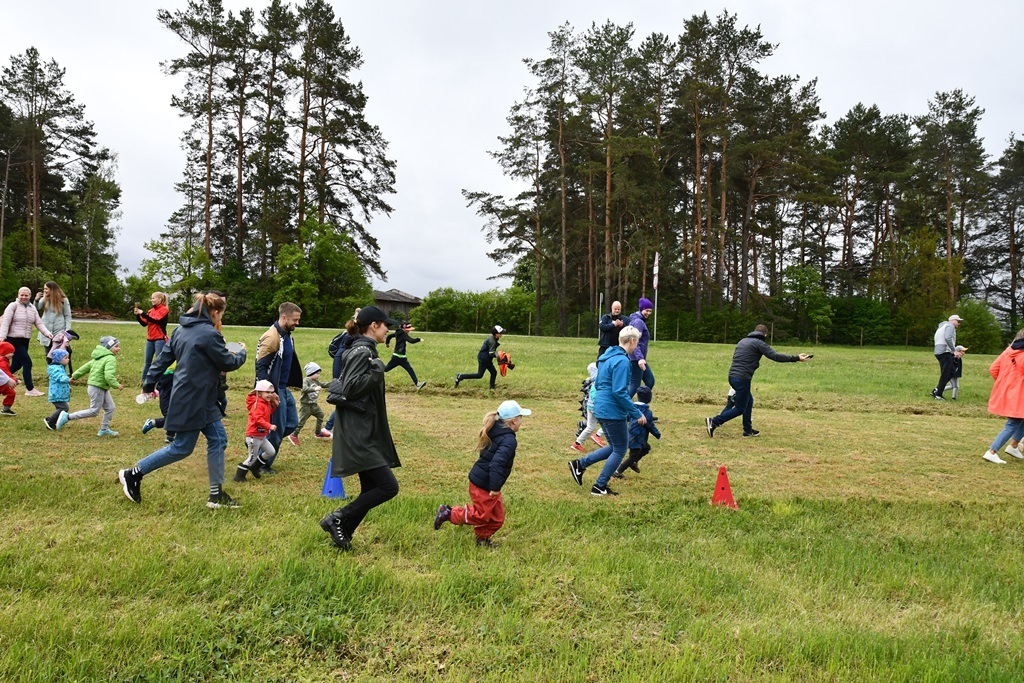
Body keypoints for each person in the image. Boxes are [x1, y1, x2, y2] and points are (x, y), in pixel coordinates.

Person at [116, 292, 247, 508]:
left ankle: (216, 495)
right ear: (214, 312)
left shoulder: (180, 330)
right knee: (181, 447)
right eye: (220, 315)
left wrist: (148, 384)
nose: (220, 319)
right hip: (192, 399)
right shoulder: (209, 334)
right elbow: (227, 362)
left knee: (218, 439)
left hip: (201, 398)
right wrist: (241, 353)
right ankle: (133, 473)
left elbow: (161, 360)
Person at [320, 306, 402, 550]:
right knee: (388, 487)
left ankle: (344, 531)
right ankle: (338, 517)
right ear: (374, 326)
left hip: (363, 428)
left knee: (370, 488)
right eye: (385, 325)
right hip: (358, 432)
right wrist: (378, 369)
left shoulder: (364, 350)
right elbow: (351, 388)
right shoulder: (362, 351)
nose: (388, 329)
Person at [433, 399, 531, 547]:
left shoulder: (495, 429)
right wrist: (495, 487)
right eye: (520, 418)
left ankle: (482, 540)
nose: (522, 422)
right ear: (512, 422)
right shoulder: (509, 440)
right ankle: (448, 513)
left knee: (497, 518)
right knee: (481, 515)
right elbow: (496, 463)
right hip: (485, 485)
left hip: (488, 482)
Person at [567, 325, 646, 496]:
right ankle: (599, 486)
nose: (636, 346)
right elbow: (619, 392)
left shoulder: (606, 356)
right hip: (612, 409)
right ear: (632, 341)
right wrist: (636, 412)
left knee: (615, 447)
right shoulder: (623, 361)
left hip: (599, 406)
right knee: (620, 449)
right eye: (637, 343)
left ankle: (580, 464)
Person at [705, 324, 811, 438]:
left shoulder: (743, 341)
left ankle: (748, 430)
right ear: (765, 335)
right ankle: (714, 422)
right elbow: (775, 356)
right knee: (740, 408)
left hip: (732, 376)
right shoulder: (759, 343)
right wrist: (796, 358)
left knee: (749, 401)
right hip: (742, 378)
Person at [254, 302, 302, 469]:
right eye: (295, 320)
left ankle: (258, 447)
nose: (297, 323)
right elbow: (260, 367)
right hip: (273, 389)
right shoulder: (272, 337)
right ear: (284, 317)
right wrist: (269, 393)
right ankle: (261, 464)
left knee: (292, 424)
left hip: (283, 388)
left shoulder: (287, 335)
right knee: (276, 429)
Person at [60, 336, 123, 435]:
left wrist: (74, 376)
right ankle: (67, 417)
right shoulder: (110, 358)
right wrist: (116, 385)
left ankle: (104, 429)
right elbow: (108, 376)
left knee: (110, 408)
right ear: (109, 348)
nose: (118, 349)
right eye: (116, 346)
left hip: (100, 387)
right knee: (94, 411)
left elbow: (84, 368)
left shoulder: (98, 357)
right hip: (97, 388)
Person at [0, 286, 53, 396]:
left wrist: (47, 333)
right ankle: (30, 389)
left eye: (26, 295)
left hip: (25, 340)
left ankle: (4, 379)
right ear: (18, 295)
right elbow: (5, 322)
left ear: (30, 296)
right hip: (13, 340)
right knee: (27, 362)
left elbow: (38, 323)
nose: (24, 297)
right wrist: (2, 337)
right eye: (22, 295)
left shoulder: (32, 308)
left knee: (17, 364)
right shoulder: (13, 306)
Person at [982, 330, 1024, 464]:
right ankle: (992, 451)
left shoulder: (1007, 351)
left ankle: (1014, 446)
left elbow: (993, 369)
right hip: (1019, 394)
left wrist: (1004, 383)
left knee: (1018, 421)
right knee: (1013, 424)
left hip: (1009, 392)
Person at [233, 379, 279, 481]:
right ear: (259, 392)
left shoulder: (265, 403)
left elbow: (267, 413)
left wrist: (275, 404)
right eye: (267, 392)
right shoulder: (257, 404)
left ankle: (255, 467)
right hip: (254, 436)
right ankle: (239, 476)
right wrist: (269, 426)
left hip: (261, 436)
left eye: (271, 392)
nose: (270, 395)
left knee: (271, 452)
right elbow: (258, 419)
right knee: (251, 457)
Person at [324, 308, 360, 435]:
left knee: (344, 398)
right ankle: (328, 428)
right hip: (342, 365)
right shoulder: (355, 335)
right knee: (343, 398)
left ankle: (331, 428)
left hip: (339, 362)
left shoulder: (348, 332)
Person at [614, 385, 662, 478]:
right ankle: (617, 472)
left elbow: (626, 418)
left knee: (646, 448)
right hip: (637, 438)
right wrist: (658, 435)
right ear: (649, 398)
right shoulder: (647, 412)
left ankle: (634, 462)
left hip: (632, 435)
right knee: (632, 456)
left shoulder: (632, 408)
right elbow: (650, 426)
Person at [289, 361, 331, 445]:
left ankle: (318, 432)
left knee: (320, 415)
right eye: (317, 373)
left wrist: (333, 383)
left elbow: (323, 384)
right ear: (311, 372)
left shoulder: (316, 381)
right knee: (301, 421)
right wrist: (314, 389)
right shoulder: (306, 380)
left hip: (313, 405)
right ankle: (293, 435)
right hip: (306, 405)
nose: (318, 375)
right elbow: (303, 389)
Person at [134, 292, 170, 384]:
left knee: (159, 361)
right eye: (151, 298)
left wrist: (143, 313)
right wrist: (138, 315)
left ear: (160, 300)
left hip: (160, 339)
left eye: (153, 298)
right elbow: (144, 323)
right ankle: (144, 381)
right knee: (147, 362)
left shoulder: (164, 309)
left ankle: (160, 381)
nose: (152, 300)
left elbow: (156, 320)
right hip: (150, 339)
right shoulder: (150, 311)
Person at [455, 325, 505, 390]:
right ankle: (461, 376)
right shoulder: (492, 341)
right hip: (484, 359)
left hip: (486, 359)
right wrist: (499, 355)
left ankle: (492, 388)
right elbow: (491, 353)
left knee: (494, 372)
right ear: (496, 334)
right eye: (500, 333)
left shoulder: (493, 338)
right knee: (479, 375)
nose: (502, 334)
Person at [570, 362, 605, 453]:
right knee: (609, 423)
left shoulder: (592, 382)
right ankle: (598, 435)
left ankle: (577, 444)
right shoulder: (601, 381)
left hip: (590, 406)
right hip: (597, 407)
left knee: (590, 427)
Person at [35, 281, 72, 361]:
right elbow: (37, 308)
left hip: (59, 331)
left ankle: (59, 371)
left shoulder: (63, 300)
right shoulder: (44, 299)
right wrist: (36, 300)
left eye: (46, 289)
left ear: (52, 290)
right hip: (46, 330)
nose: (44, 291)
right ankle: (51, 371)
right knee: (48, 355)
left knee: (59, 354)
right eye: (44, 289)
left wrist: (67, 330)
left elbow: (68, 316)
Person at [385, 322, 426, 389]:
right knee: (385, 369)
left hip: (401, 357)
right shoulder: (403, 334)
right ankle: (375, 368)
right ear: (404, 328)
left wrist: (387, 343)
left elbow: (389, 336)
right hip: (397, 357)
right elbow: (411, 341)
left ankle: (417, 384)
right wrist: (419, 339)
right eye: (408, 329)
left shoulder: (398, 333)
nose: (409, 331)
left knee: (409, 369)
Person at [627, 298, 655, 398]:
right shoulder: (638, 322)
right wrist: (640, 358)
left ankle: (639, 403)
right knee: (635, 384)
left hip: (639, 358)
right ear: (641, 309)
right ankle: (621, 406)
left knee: (649, 381)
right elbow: (635, 342)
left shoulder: (638, 320)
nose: (648, 313)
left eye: (650, 311)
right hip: (636, 358)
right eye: (646, 310)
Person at [141, 367, 176, 444]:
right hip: (166, 392)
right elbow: (164, 373)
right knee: (170, 415)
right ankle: (155, 424)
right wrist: (156, 389)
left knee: (176, 414)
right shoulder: (171, 365)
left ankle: (169, 435)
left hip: (175, 390)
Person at [932, 314, 962, 400]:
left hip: (939, 351)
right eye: (958, 321)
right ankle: (938, 395)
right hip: (945, 352)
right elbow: (948, 338)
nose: (959, 323)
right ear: (952, 320)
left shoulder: (942, 327)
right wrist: (954, 351)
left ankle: (937, 390)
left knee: (952, 371)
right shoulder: (950, 326)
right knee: (945, 374)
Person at [43, 348, 72, 430]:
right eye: (65, 358)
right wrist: (68, 379)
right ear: (59, 359)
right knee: (64, 408)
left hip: (60, 392)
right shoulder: (55, 369)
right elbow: (60, 377)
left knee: (61, 409)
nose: (68, 360)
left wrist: (68, 387)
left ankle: (55, 422)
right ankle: (50, 421)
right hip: (56, 393)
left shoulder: (60, 367)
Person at [0, 341, 18, 415]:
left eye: (13, 352)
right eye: (10, 352)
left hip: (3, 382)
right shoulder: (3, 363)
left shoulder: (5, 361)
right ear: (4, 352)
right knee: (11, 393)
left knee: (11, 393)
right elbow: (6, 374)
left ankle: (6, 408)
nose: (12, 354)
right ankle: (6, 409)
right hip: (3, 383)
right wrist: (14, 380)